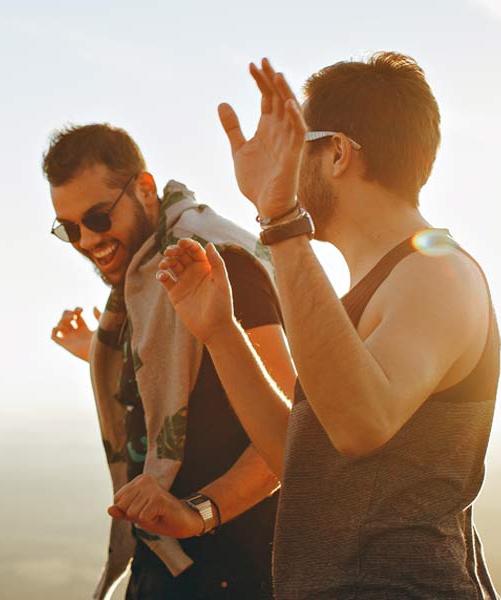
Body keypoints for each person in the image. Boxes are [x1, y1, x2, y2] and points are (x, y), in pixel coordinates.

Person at [119, 53, 498, 598]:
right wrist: (221, 334)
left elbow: (360, 425)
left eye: (295, 147)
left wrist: (278, 220)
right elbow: (304, 461)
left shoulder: (437, 271)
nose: (283, 166)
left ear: (338, 153)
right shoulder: (368, 293)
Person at [44, 123, 296, 599]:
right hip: (165, 563)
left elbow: (290, 429)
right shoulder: (143, 282)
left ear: (143, 189)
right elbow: (186, 384)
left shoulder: (219, 263)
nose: (85, 240)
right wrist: (99, 353)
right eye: (69, 228)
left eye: (97, 217)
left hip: (236, 570)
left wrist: (199, 514)